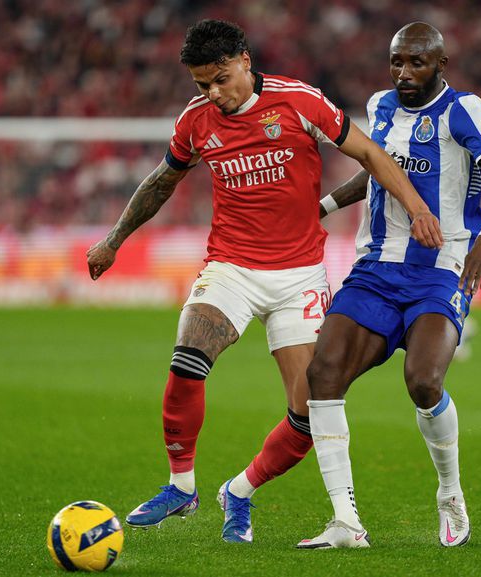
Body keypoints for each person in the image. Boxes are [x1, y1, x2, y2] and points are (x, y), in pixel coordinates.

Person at [86, 19, 443, 544]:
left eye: (221, 78)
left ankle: (240, 490)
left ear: (245, 61)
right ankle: (181, 486)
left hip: (300, 275)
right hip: (231, 266)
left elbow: (369, 153)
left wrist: (416, 208)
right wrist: (114, 240)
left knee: (308, 413)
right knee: (188, 356)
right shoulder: (195, 121)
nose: (213, 93)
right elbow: (162, 181)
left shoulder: (299, 101)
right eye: (202, 84)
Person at [297, 22, 481, 549]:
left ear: (440, 65)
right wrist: (323, 206)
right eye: (397, 61)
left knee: (423, 381)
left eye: (416, 63)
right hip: (377, 266)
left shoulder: (462, 110)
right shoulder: (380, 106)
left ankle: (450, 493)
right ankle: (345, 522)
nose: (403, 72)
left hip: (442, 267)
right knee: (323, 373)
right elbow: (377, 171)